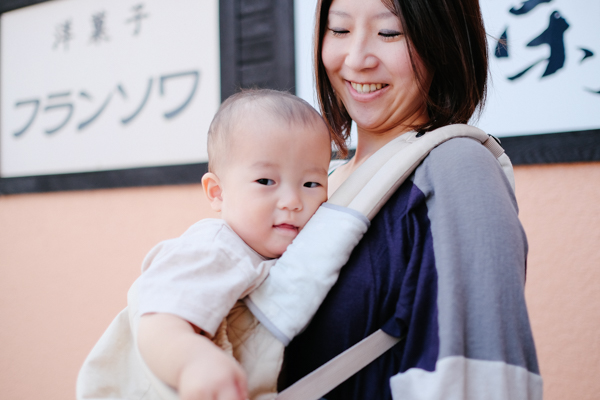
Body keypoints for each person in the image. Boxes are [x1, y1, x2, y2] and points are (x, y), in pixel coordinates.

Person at [245, 0, 543, 399]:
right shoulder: (318, 186)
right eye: (339, 30)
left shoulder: (457, 167)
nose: (356, 59)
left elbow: (481, 379)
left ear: (443, 41)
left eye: (389, 33)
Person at [76, 89, 370, 400]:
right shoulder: (215, 249)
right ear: (217, 192)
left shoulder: (285, 251)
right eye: (266, 181)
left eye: (311, 184)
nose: (293, 201)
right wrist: (194, 363)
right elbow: (159, 320)